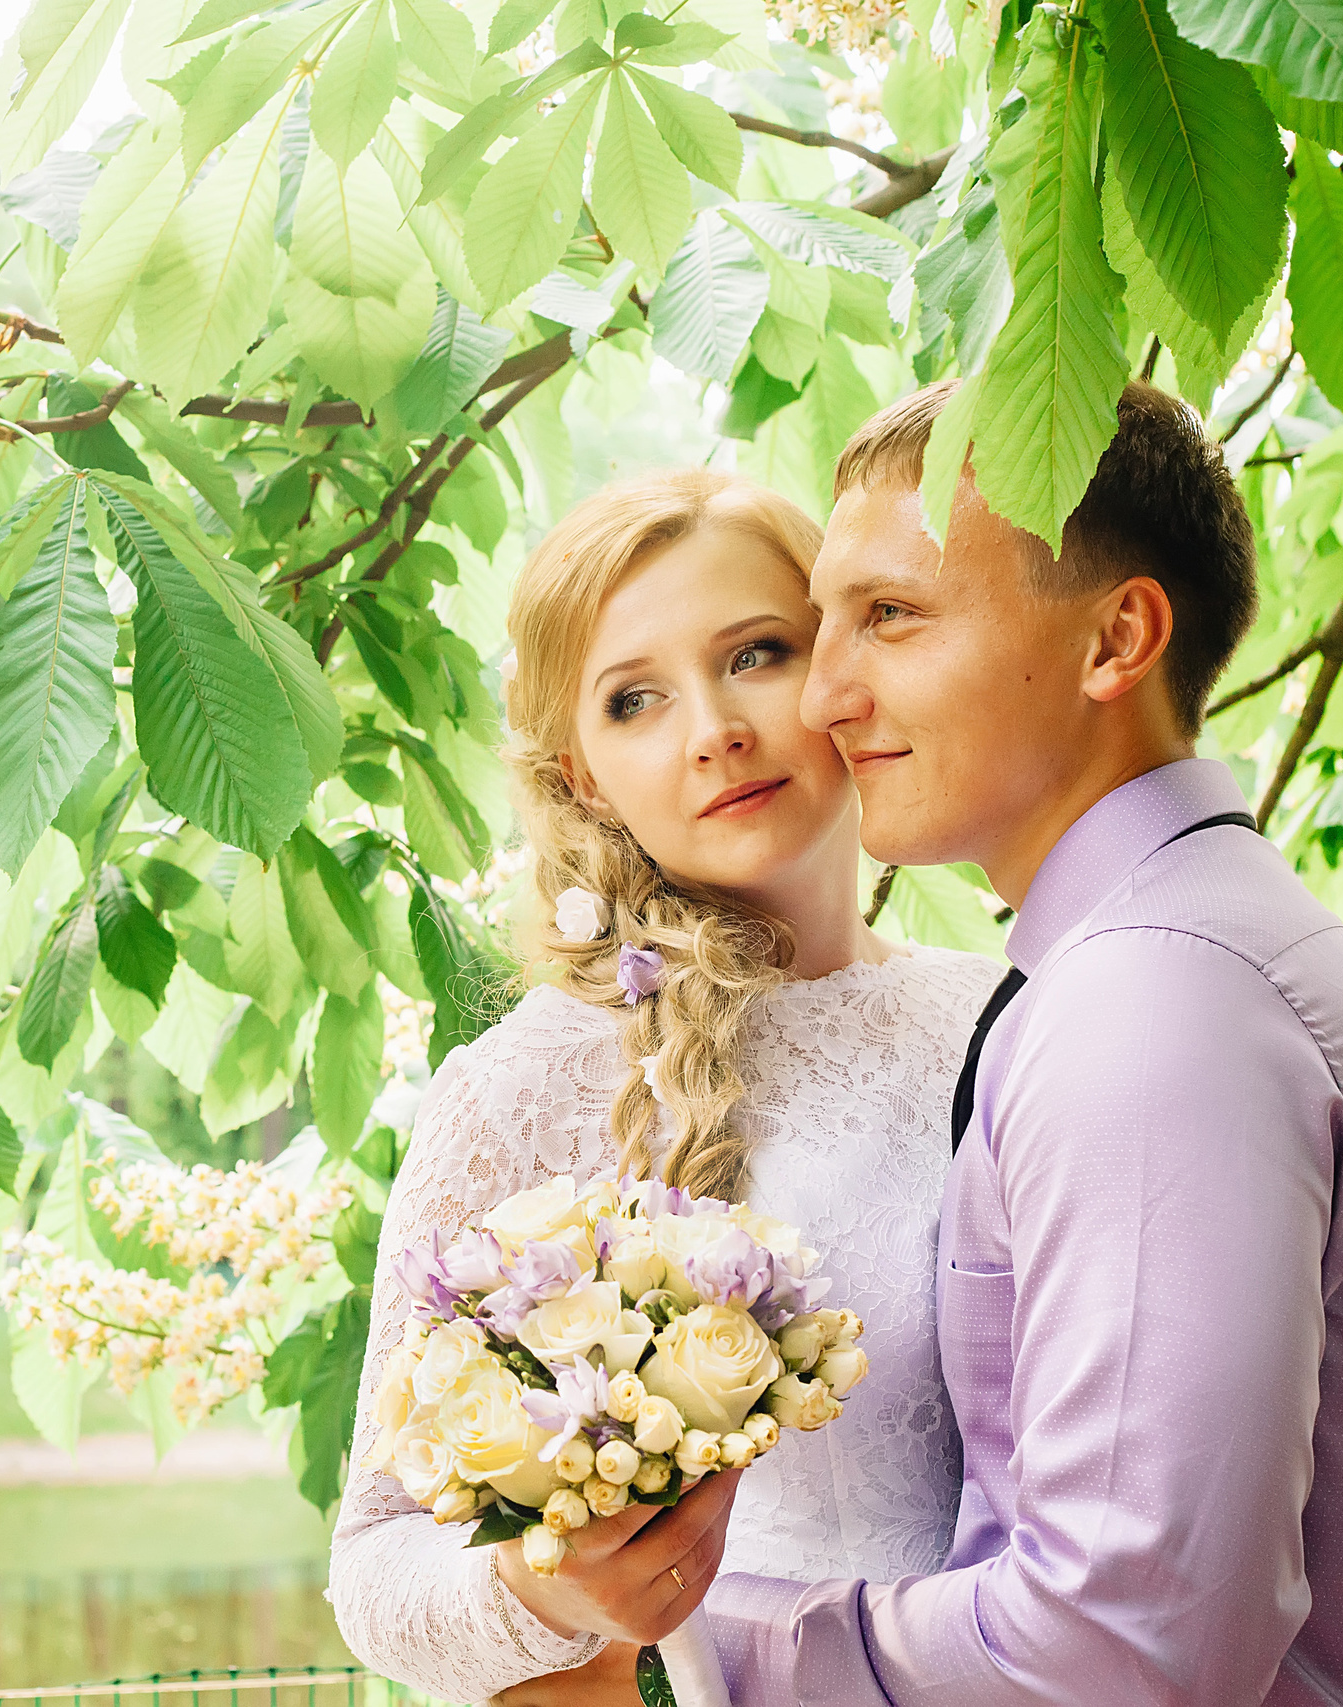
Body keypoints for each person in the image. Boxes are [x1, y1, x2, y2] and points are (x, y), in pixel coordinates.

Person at [656, 380, 1343, 1705]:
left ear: (1116, 639)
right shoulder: (1169, 952)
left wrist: (694, 1653)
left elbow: (1125, 1646)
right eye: (822, 623)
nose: (824, 694)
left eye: (890, 615)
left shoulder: (1156, 1005)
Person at [326, 469, 1005, 1702]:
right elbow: (375, 1567)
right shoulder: (523, 1088)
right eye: (634, 700)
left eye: (755, 654)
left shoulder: (1008, 1013)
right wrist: (543, 1591)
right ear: (584, 775)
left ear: (840, 670)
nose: (713, 729)